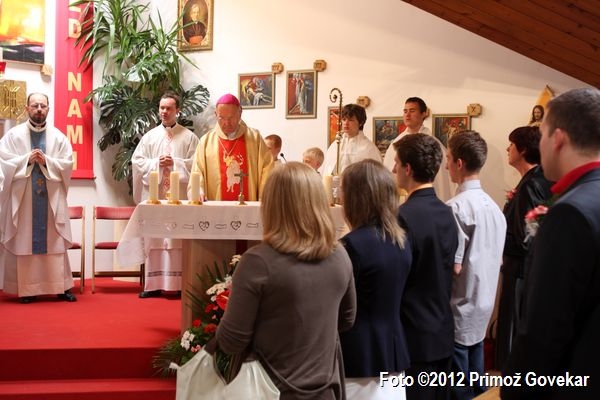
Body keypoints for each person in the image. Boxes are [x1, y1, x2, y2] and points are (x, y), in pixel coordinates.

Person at [216, 162, 357, 399]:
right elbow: (347, 320)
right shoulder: (340, 255)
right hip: (324, 390)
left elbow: (231, 342)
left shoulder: (258, 262)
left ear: (272, 205)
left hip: (271, 391)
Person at [502, 88, 600, 399]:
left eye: (542, 134)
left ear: (557, 138)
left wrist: (515, 391)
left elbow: (544, 328)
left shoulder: (570, 212)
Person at [339, 159, 412, 400]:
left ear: (355, 198)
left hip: (359, 356)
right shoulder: (401, 240)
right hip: (392, 350)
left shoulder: (351, 245)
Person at [393, 133, 458, 400]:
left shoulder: (403, 217)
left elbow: (397, 277)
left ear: (408, 169)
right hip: (442, 327)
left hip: (414, 333)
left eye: (397, 163)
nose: (394, 169)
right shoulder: (447, 211)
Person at [445, 130, 506, 399]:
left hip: (461, 302)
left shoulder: (456, 207)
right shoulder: (494, 207)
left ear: (459, 163)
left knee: (458, 385)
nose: (445, 166)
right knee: (477, 377)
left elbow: (455, 266)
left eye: (448, 159)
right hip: (484, 302)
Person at [0, 93, 76, 303]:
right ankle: (28, 290)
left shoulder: (59, 137)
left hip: (51, 199)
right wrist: (26, 160)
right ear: (27, 108)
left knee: (55, 242)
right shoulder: (13, 136)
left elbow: (67, 164)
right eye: (35, 106)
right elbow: (3, 162)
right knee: (25, 241)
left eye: (43, 105)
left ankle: (60, 287)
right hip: (24, 199)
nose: (39, 109)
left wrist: (47, 161)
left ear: (48, 109)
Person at [495, 126, 552, 370]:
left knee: (513, 327)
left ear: (523, 150)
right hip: (523, 266)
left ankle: (512, 377)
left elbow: (527, 237)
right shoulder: (535, 179)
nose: (508, 148)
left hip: (520, 269)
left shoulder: (531, 185)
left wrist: (497, 243)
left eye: (512, 144)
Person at [131, 92, 199, 298]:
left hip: (179, 199)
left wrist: (175, 163)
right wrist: (155, 164)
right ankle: (152, 285)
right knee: (155, 238)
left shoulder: (189, 137)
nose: (164, 112)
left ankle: (178, 285)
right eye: (162, 108)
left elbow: (197, 165)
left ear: (178, 110)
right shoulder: (149, 137)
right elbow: (137, 162)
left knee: (177, 239)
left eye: (169, 108)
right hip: (156, 197)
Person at [189, 93, 273, 201]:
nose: (226, 123)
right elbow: (197, 171)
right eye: (221, 118)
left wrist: (264, 195)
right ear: (216, 114)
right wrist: (198, 190)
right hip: (216, 206)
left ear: (240, 113)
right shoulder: (206, 141)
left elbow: (267, 168)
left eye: (231, 118)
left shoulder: (255, 138)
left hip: (249, 205)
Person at [384, 97, 454, 201]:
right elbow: (387, 175)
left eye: (412, 111)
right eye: (405, 111)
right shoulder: (395, 144)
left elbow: (441, 180)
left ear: (423, 114)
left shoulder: (432, 144)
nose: (407, 115)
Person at [322, 103, 381, 176]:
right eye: (344, 119)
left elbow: (376, 175)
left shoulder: (368, 148)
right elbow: (327, 171)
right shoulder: (335, 145)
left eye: (351, 120)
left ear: (360, 123)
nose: (346, 123)